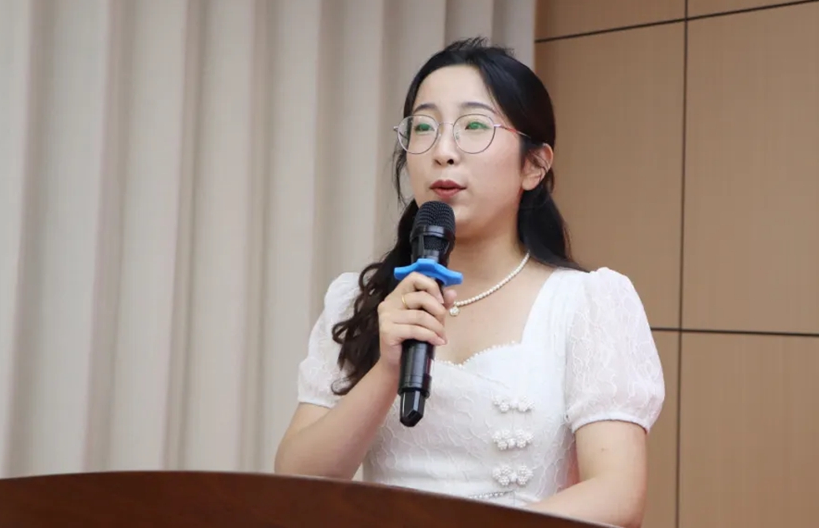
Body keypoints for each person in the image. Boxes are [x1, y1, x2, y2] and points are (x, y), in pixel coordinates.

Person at [274, 38, 665, 528]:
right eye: (424, 127)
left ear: (534, 165)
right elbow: (296, 482)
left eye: (474, 126)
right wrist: (387, 369)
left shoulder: (588, 304)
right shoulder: (362, 300)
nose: (443, 152)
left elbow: (617, 496)